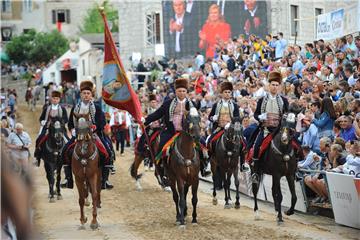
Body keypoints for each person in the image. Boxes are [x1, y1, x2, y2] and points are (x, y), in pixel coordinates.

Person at [143, 78, 210, 179]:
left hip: (187, 133)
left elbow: (197, 111)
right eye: (179, 91)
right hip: (171, 132)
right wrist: (146, 120)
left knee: (202, 143)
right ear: (175, 91)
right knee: (161, 146)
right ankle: (163, 169)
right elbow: (157, 114)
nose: (182, 93)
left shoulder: (191, 103)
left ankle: (204, 167)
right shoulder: (167, 103)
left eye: (184, 91)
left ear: (186, 92)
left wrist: (203, 94)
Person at [61, 80, 112, 189]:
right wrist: (73, 131)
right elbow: (70, 123)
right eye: (84, 93)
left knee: (107, 151)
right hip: (78, 135)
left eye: (88, 93)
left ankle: (105, 180)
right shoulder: (75, 108)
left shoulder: (97, 107)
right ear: (80, 94)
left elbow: (102, 122)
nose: (86, 95)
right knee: (65, 151)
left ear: (91, 95)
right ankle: (68, 178)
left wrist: (95, 127)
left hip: (94, 135)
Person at [251, 71, 289, 184]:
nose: (275, 87)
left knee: (294, 146)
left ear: (280, 86)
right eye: (273, 84)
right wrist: (260, 117)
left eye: (277, 85)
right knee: (257, 147)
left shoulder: (284, 101)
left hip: (279, 131)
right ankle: (256, 173)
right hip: (265, 130)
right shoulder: (262, 100)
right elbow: (256, 114)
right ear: (269, 85)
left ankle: (294, 171)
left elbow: (287, 115)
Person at [34, 90, 68, 166]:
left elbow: (66, 119)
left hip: (60, 129)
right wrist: (43, 122)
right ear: (51, 99)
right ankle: (37, 158)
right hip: (48, 128)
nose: (55, 100)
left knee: (67, 141)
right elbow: (41, 118)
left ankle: (67, 159)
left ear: (59, 99)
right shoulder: (47, 108)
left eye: (57, 99)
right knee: (39, 139)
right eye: (54, 98)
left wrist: (61, 123)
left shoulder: (62, 109)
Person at [207, 81, 240, 155]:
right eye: (225, 92)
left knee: (243, 142)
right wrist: (213, 118)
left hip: (231, 129)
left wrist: (232, 125)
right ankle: (209, 159)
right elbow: (209, 117)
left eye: (229, 92)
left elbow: (237, 118)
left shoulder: (234, 105)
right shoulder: (216, 105)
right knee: (210, 141)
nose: (227, 94)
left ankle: (242, 163)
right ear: (221, 93)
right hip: (219, 128)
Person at [136, 94, 161, 171]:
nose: (154, 103)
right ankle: (146, 162)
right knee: (146, 142)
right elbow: (143, 120)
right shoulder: (146, 111)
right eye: (152, 102)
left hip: (158, 129)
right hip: (150, 129)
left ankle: (153, 163)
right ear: (150, 103)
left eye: (155, 102)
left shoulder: (160, 110)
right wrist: (150, 124)